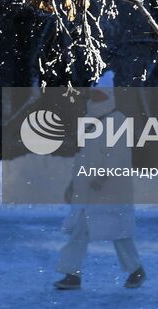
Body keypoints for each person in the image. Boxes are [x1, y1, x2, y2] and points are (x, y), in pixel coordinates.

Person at [53, 71, 146, 291]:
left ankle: (136, 270)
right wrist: (74, 184)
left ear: (109, 97)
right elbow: (83, 157)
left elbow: (118, 156)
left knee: (118, 232)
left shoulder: (117, 121)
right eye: (93, 95)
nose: (94, 99)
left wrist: (103, 177)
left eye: (99, 96)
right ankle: (72, 274)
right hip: (89, 189)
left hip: (110, 189)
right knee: (81, 230)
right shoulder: (90, 121)